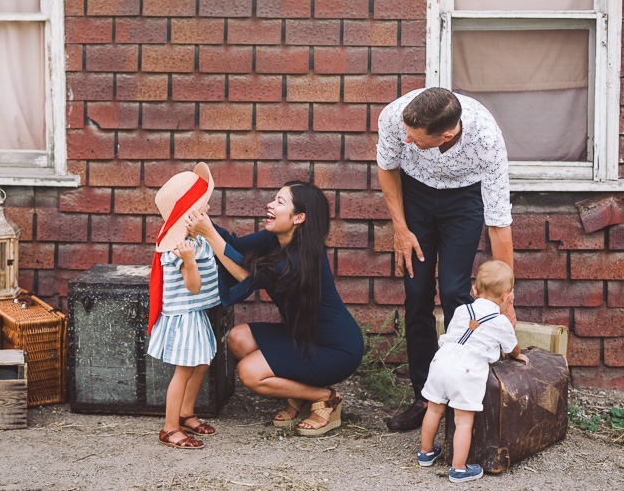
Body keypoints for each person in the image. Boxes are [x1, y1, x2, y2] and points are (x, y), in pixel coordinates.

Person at [376, 87, 516, 432]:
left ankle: (460, 397)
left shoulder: (486, 138)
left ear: (447, 134)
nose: (406, 140)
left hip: (463, 200)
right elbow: (387, 167)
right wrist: (400, 229)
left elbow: (499, 224)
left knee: (455, 291)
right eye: (406, 133)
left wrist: (506, 301)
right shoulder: (395, 116)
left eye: (416, 137)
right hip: (415, 193)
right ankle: (425, 397)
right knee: (417, 292)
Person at [186, 181, 364, 436]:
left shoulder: (302, 259)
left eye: (280, 202)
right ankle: (301, 394)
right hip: (301, 337)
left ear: (299, 218)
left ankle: (325, 397)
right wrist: (201, 220)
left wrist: (208, 233)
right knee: (238, 338)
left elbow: (245, 275)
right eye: (274, 199)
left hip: (336, 349)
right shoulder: (275, 238)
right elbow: (235, 246)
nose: (270, 204)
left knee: (249, 373)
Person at [417, 260, 527, 483]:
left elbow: (455, 333)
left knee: (434, 409)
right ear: (507, 297)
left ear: (474, 290)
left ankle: (425, 453)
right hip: (467, 369)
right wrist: (518, 355)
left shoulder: (461, 310)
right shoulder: (501, 322)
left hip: (441, 360)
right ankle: (459, 468)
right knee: (463, 421)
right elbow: (511, 347)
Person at [147, 162, 220, 450]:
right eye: (203, 205)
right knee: (185, 369)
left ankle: (186, 413)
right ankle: (170, 428)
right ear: (188, 212)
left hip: (195, 312)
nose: (208, 207)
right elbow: (193, 286)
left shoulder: (194, 238)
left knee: (202, 363)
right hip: (184, 316)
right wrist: (189, 261)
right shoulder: (179, 247)